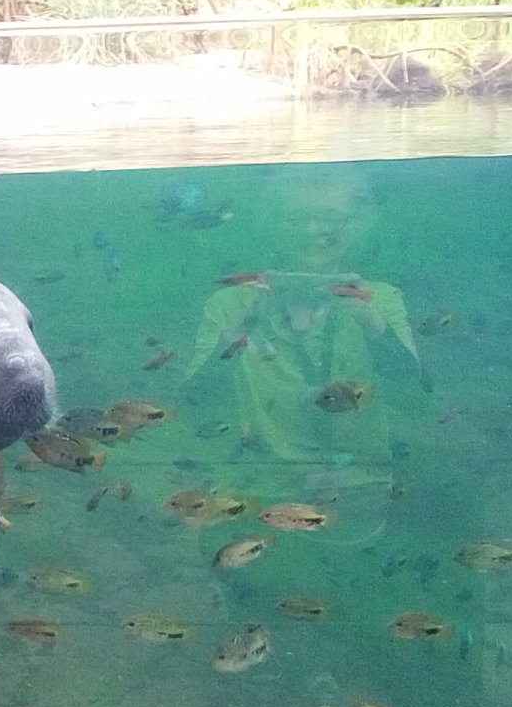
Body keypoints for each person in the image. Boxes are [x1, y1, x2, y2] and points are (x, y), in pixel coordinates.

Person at [180, 167, 424, 541]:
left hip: (360, 492)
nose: (314, 231)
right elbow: (195, 404)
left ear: (357, 224)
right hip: (251, 497)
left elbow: (415, 397)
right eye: (295, 218)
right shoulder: (232, 301)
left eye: (331, 218)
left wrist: (373, 325)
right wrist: (244, 325)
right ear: (272, 224)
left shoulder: (379, 297)